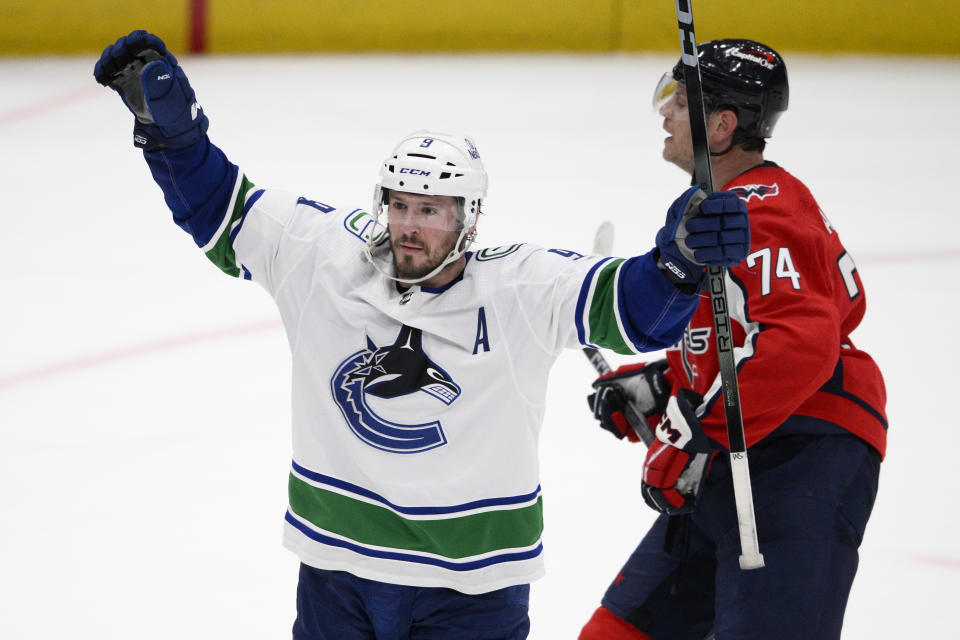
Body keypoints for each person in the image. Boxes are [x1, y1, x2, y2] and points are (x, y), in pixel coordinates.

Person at [93, 31, 751, 640]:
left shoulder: (522, 287)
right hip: (337, 569)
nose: (409, 225)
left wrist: (679, 262)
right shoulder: (324, 256)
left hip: (473, 587)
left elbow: (637, 312)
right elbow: (220, 210)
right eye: (400, 204)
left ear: (469, 220)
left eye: (429, 211)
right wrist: (171, 136)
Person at [580, 39, 887, 640]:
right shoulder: (720, 208)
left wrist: (690, 430)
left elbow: (803, 342)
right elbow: (741, 331)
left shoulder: (762, 210)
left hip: (799, 456)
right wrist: (667, 381)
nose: (663, 113)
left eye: (676, 101)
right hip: (740, 449)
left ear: (720, 126)